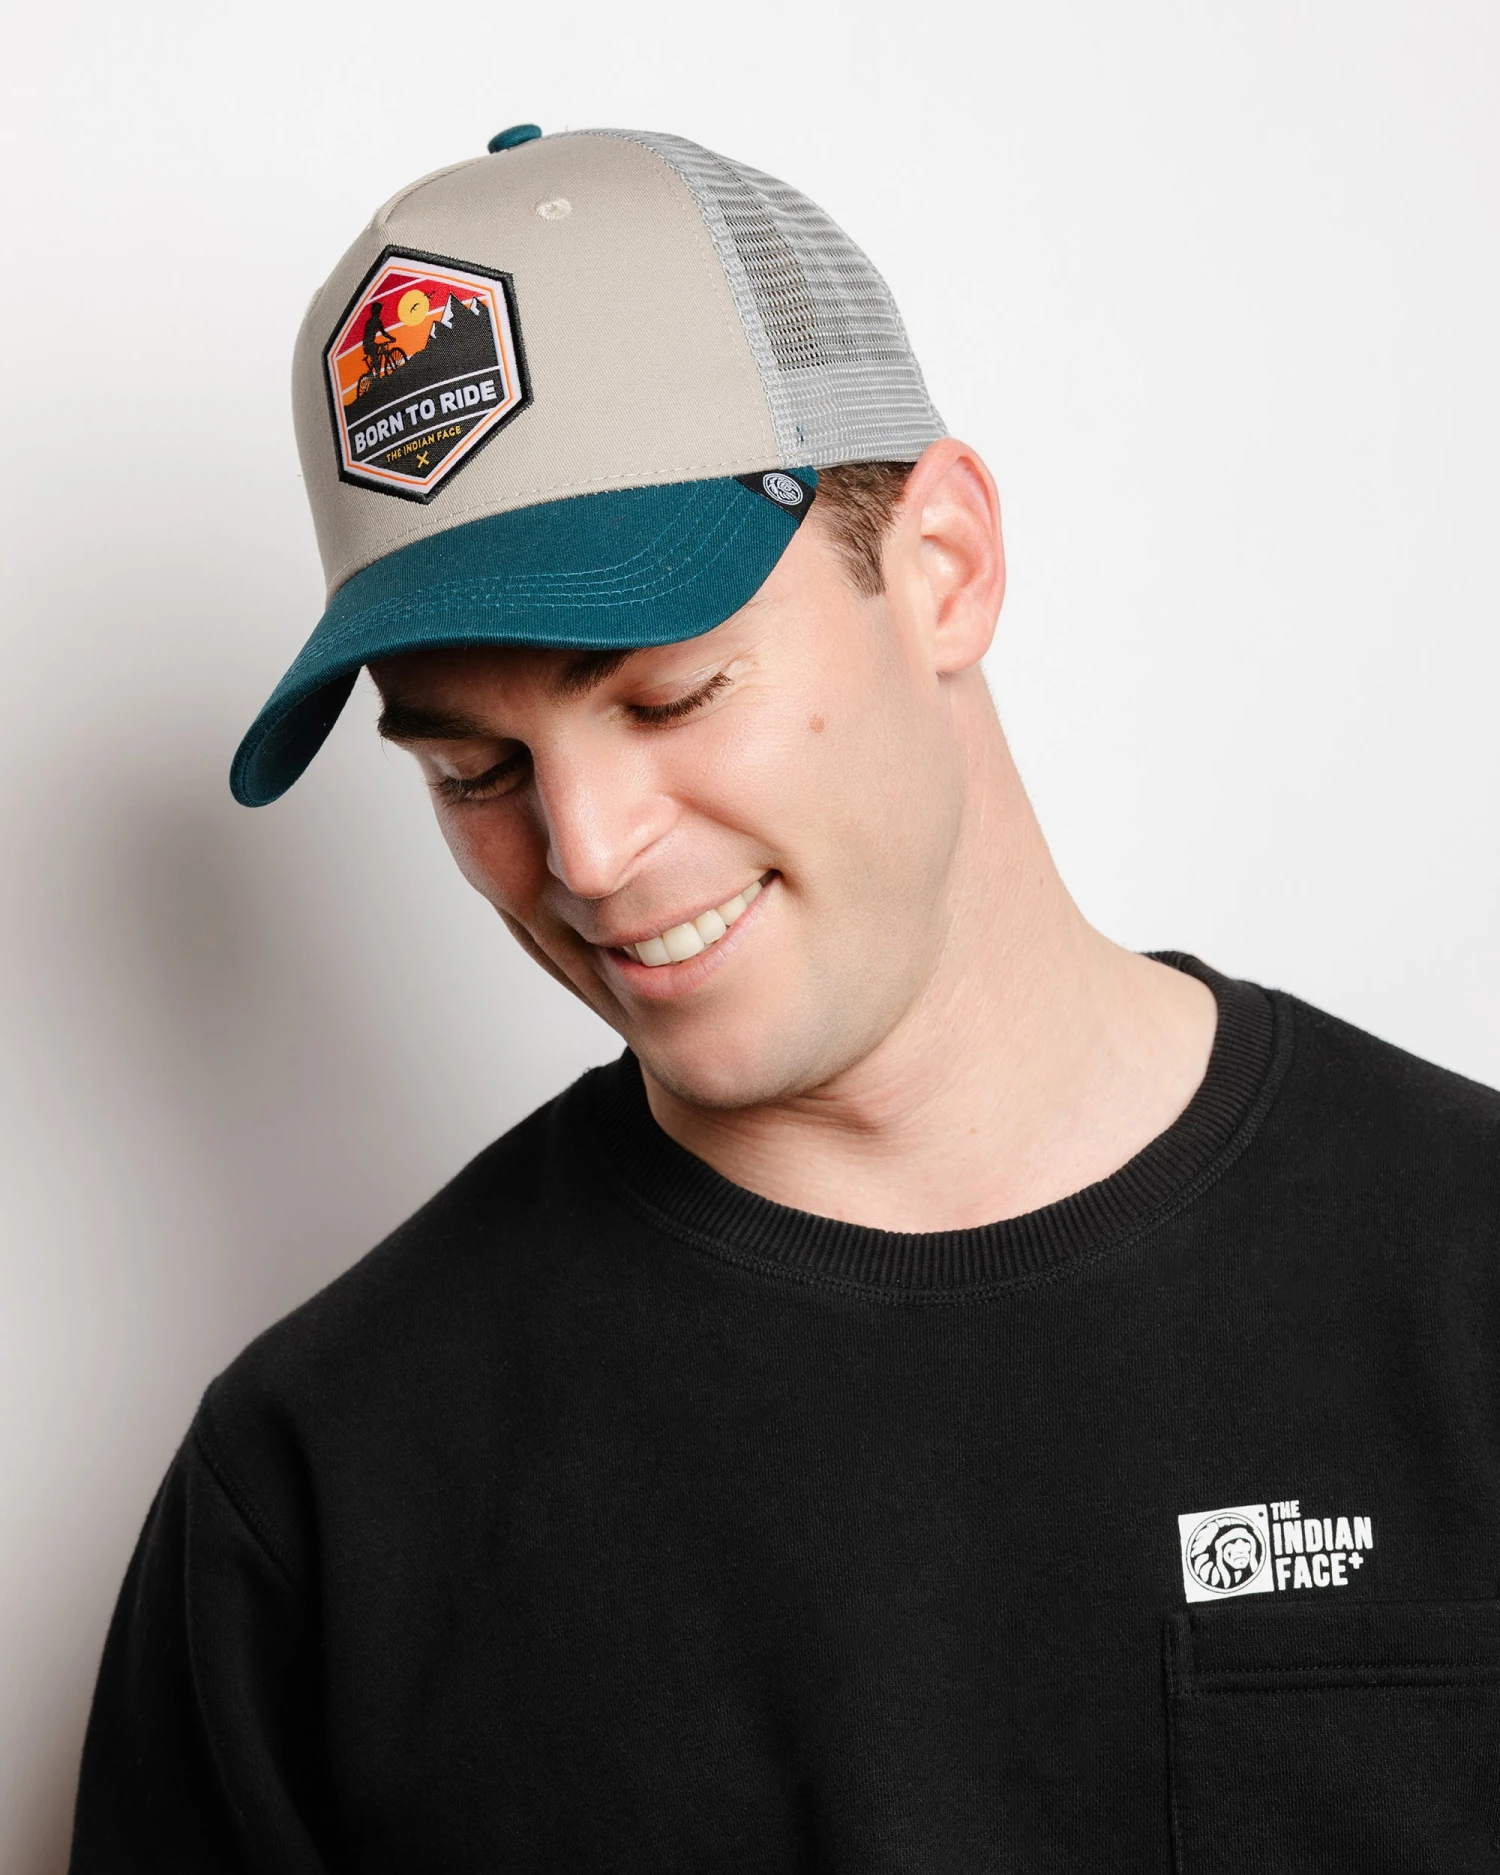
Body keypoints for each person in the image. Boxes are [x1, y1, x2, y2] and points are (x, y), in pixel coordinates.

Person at [70, 124, 1500, 1873]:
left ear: (942, 564)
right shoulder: (323, 1493)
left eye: (668, 696)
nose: (587, 850)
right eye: (473, 769)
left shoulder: (1462, 1279)